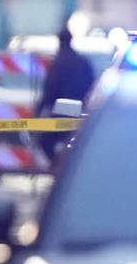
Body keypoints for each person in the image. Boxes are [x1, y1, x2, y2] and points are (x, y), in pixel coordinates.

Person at [35, 26, 97, 163]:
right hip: (81, 112)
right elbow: (93, 86)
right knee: (79, 145)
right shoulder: (83, 62)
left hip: (61, 111)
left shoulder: (59, 63)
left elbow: (49, 89)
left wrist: (38, 111)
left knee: (45, 141)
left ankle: (57, 166)